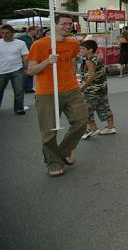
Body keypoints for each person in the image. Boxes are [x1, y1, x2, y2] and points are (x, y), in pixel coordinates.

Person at [27, 14, 89, 177]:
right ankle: (53, 162)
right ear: (55, 25)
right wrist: (47, 61)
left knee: (82, 121)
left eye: (70, 24)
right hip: (46, 92)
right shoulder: (39, 44)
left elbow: (72, 61)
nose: (67, 27)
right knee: (49, 131)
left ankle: (64, 151)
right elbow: (31, 70)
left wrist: (73, 78)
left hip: (71, 89)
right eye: (63, 24)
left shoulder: (73, 43)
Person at [79, 40, 116, 139]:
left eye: (83, 49)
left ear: (90, 50)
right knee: (104, 107)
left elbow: (92, 76)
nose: (80, 50)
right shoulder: (98, 57)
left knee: (87, 109)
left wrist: (82, 87)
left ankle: (93, 129)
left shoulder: (89, 60)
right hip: (102, 88)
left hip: (92, 90)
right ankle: (111, 127)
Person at [0, 24, 29, 115]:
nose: (4, 35)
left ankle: (19, 108)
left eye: (7, 33)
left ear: (12, 33)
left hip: (17, 70)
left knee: (19, 90)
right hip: (1, 70)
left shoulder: (21, 43)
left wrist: (26, 68)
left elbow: (24, 57)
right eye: (2, 33)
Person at [16, 25, 39, 93]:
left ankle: (29, 87)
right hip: (24, 57)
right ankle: (24, 87)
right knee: (25, 72)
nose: (37, 32)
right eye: (36, 30)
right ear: (31, 30)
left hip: (33, 57)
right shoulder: (22, 38)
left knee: (30, 73)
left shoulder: (35, 38)